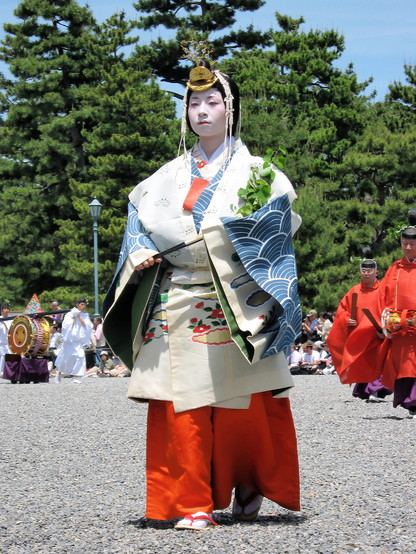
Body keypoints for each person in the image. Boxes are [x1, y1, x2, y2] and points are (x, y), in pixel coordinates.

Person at [103, 56, 302, 529]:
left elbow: (279, 232)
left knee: (245, 406)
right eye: (194, 103)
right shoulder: (163, 178)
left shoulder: (261, 173)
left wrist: (237, 239)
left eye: (213, 101)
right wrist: (142, 253)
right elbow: (136, 229)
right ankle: (189, 499)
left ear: (230, 109)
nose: (203, 111)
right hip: (175, 297)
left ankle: (248, 482)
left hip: (237, 297)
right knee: (180, 403)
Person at [327, 259, 392, 401]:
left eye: (369, 271)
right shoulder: (354, 291)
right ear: (360, 272)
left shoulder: (384, 290)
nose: (366, 273)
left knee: (379, 360)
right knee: (362, 362)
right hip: (359, 334)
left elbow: (390, 309)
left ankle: (375, 390)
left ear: (377, 272)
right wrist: (346, 320)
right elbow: (342, 311)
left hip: (377, 333)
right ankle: (366, 390)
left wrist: (385, 328)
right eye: (364, 271)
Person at [376, 220, 416, 417]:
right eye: (404, 243)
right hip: (399, 327)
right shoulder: (395, 268)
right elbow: (383, 295)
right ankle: (409, 401)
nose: (408, 248)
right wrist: (382, 321)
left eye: (412, 244)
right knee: (403, 364)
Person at [55, 296, 93, 383]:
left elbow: (87, 326)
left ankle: (74, 376)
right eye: (82, 305)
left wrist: (79, 316)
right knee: (65, 358)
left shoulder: (85, 315)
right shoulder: (69, 314)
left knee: (80, 356)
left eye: (84, 305)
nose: (83, 307)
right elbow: (65, 326)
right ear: (78, 305)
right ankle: (58, 373)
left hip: (77, 341)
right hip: (69, 340)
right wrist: (73, 316)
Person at [0, 301, 12, 375]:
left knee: (8, 357)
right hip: (1, 342)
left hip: (8, 343)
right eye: (5, 309)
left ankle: (7, 372)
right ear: (1, 310)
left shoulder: (11, 320)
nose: (6, 310)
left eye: (8, 308)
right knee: (2, 357)